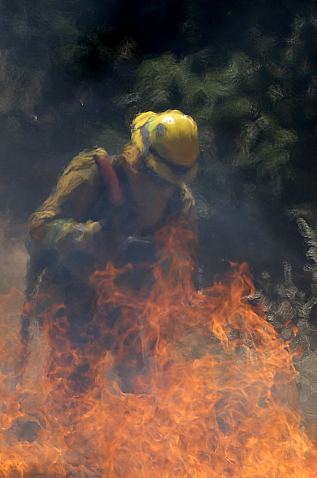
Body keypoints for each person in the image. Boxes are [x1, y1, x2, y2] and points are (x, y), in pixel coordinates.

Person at [20, 110, 199, 389]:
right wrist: (91, 236)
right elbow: (40, 227)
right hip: (74, 292)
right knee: (76, 385)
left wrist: (166, 260)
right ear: (139, 160)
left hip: (130, 306)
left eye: (172, 183)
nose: (165, 191)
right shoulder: (93, 174)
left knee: (143, 391)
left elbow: (184, 265)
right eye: (159, 180)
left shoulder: (180, 203)